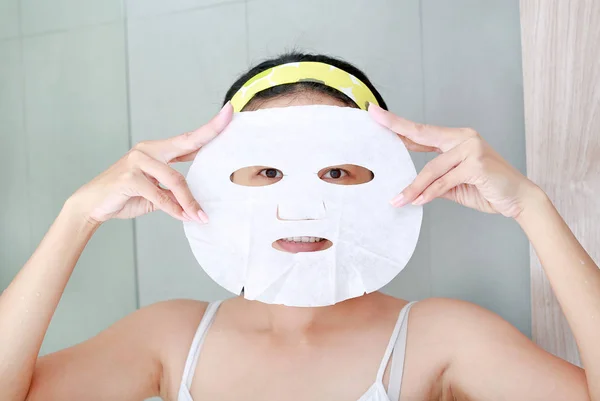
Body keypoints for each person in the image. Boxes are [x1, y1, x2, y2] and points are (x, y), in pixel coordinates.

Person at [1, 52, 598, 401]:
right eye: (266, 172)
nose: (302, 206)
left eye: (338, 171)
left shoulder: (441, 336)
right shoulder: (170, 338)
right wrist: (76, 215)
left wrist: (531, 206)